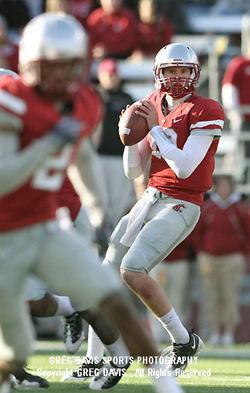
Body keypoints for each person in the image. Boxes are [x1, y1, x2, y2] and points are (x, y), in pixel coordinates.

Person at [0, 13, 185, 393]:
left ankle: (166, 385)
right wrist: (48, 144)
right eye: (51, 66)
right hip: (5, 235)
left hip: (44, 223)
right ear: (30, 64)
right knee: (16, 348)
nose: (60, 76)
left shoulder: (83, 98)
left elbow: (82, 154)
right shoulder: (11, 101)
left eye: (68, 65)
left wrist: (98, 207)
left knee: (108, 291)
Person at [83, 42, 225, 386]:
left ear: (195, 74)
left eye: (183, 70)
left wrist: (156, 130)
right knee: (103, 277)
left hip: (182, 202)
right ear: (159, 74)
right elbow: (134, 170)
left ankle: (182, 340)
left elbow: (186, 167)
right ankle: (93, 359)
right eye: (170, 70)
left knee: (132, 270)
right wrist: (130, 138)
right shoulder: (152, 105)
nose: (177, 77)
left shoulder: (205, 108)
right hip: (149, 197)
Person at [195, 175, 250, 346]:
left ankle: (228, 333)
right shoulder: (208, 207)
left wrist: (242, 254)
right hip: (210, 258)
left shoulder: (240, 208)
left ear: (232, 188)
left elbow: (247, 233)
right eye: (221, 186)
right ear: (216, 188)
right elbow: (198, 232)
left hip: (232, 258)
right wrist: (201, 252)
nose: (224, 189)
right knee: (212, 296)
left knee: (229, 296)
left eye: (227, 186)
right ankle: (215, 332)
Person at [92, 57, 136, 230]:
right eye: (108, 74)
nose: (111, 78)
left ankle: (111, 239)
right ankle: (97, 234)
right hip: (97, 156)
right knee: (97, 200)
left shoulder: (126, 97)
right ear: (101, 75)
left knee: (117, 203)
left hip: (119, 158)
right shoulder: (94, 95)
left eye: (114, 74)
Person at [222, 41, 250, 182]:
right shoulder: (239, 64)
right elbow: (229, 89)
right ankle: (244, 190)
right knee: (243, 156)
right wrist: (235, 114)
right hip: (244, 120)